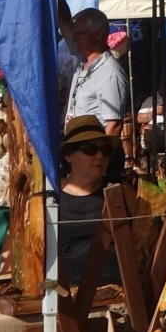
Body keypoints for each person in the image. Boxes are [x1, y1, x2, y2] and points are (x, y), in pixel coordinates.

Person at [54, 114, 117, 287]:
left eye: (105, 151)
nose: (99, 156)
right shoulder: (51, 195)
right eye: (90, 149)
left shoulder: (119, 192)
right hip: (66, 292)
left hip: (116, 287)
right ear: (69, 155)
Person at [65, 8, 129, 135]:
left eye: (80, 34)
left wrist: (97, 154)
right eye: (74, 35)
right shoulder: (81, 62)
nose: (75, 39)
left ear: (99, 34)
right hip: (77, 148)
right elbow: (63, 22)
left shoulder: (110, 73)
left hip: (93, 151)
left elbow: (113, 126)